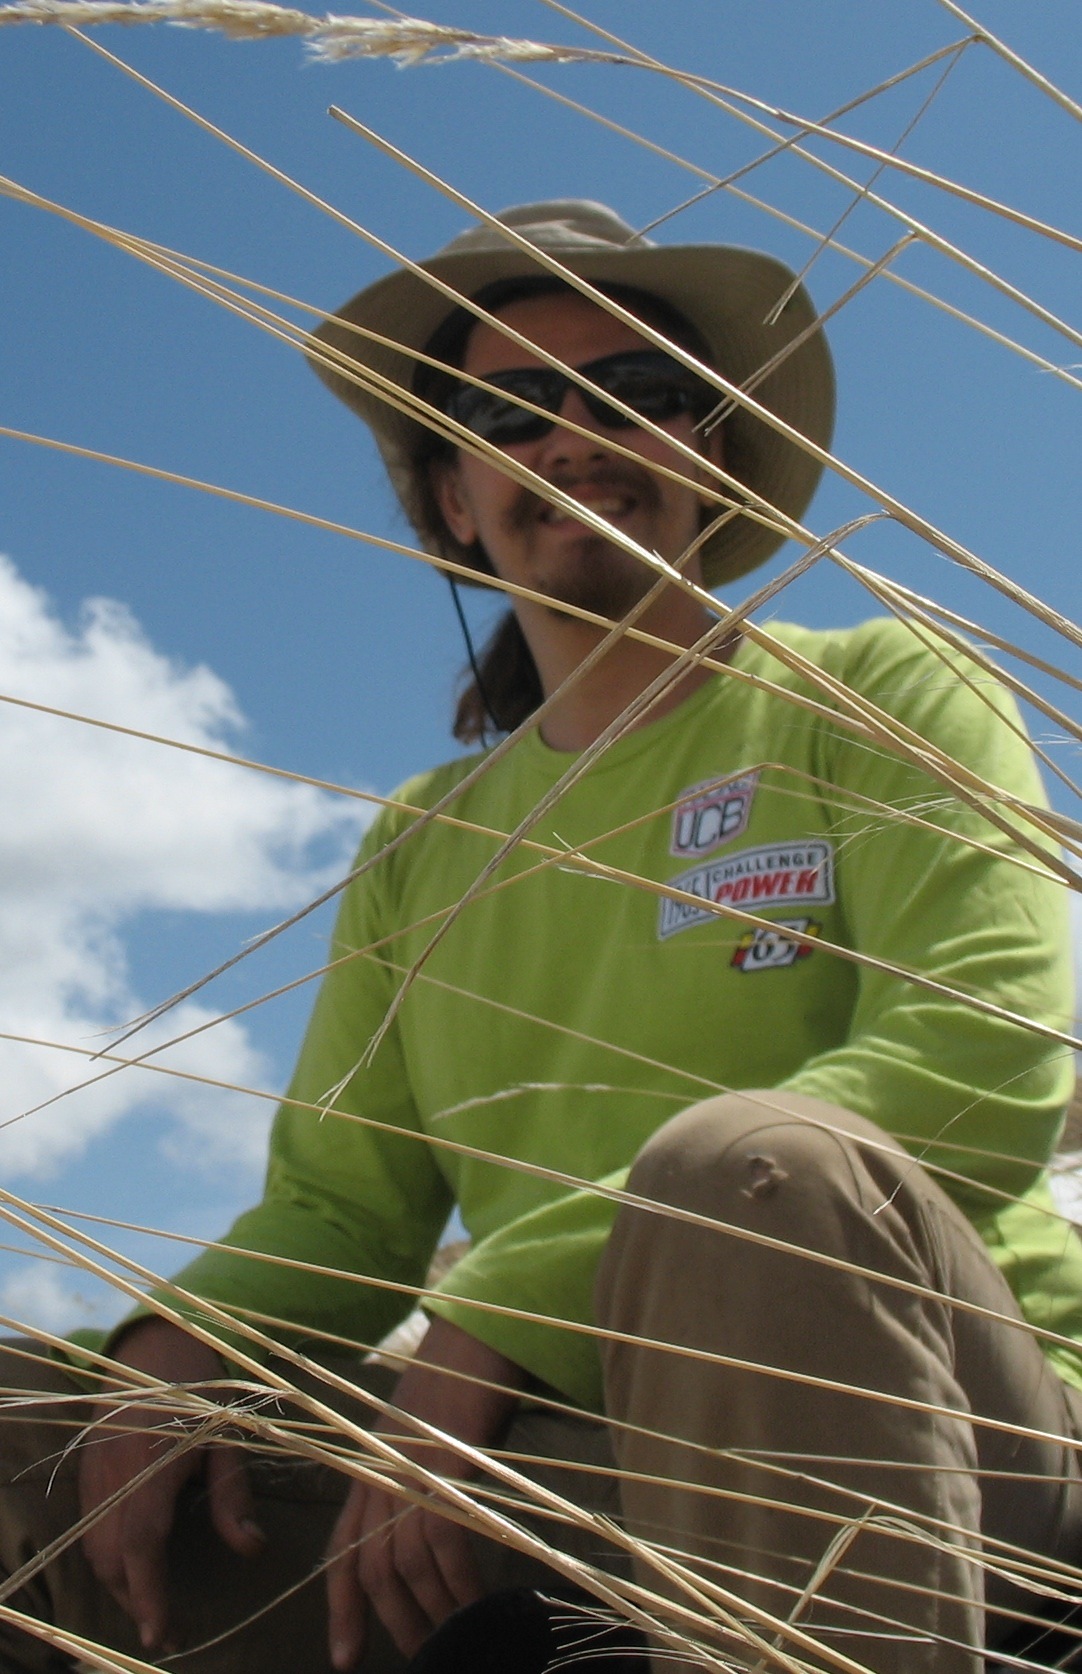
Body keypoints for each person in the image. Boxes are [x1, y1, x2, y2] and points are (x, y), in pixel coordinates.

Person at [0, 201, 1077, 1674]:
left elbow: (981, 1055)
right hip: (542, 1460)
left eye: (631, 391)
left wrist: (495, 1317)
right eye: (508, 411)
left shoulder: (882, 687)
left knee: (755, 1165)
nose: (572, 436)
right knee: (33, 1419)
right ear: (453, 498)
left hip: (938, 1438)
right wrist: (158, 1363)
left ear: (711, 449)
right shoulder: (422, 844)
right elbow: (342, 1213)